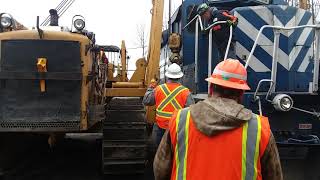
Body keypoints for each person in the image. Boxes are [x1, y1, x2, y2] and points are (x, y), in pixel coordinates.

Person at [153, 59, 283, 180]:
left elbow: (160, 170)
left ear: (210, 88)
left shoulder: (180, 120)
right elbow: (274, 176)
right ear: (241, 93)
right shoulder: (259, 129)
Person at [143, 63, 194, 147]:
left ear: (167, 76)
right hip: (177, 128)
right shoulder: (185, 92)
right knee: (175, 153)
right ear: (180, 77)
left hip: (160, 128)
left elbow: (146, 101)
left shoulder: (158, 89)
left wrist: (151, 87)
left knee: (160, 153)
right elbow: (192, 112)